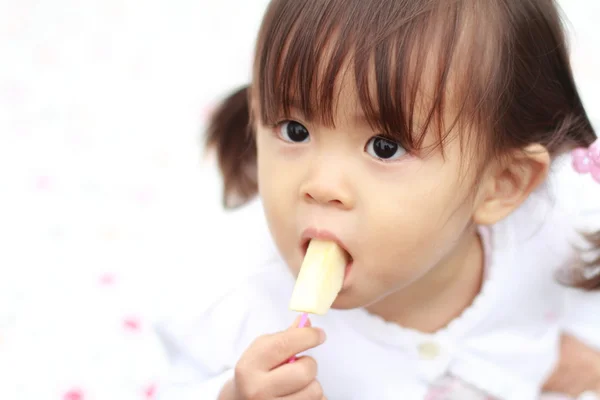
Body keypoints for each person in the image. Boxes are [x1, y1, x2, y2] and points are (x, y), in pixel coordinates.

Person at [155, 0, 600, 398]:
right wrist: (232, 394)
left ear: (501, 184)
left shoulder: (553, 233)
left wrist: (582, 356)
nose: (321, 186)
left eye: (385, 147)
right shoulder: (239, 303)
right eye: (295, 130)